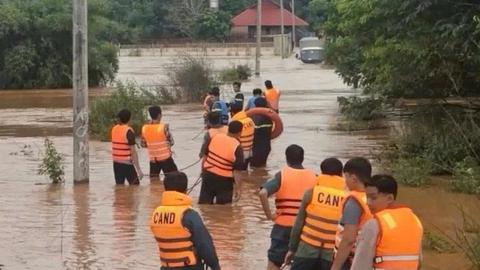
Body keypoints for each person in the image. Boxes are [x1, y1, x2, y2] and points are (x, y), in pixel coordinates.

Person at [258, 145, 317, 270]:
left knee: (275, 262)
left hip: (283, 227)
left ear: (287, 159)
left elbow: (263, 193)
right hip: (306, 228)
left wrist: (269, 215)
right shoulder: (315, 177)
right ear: (302, 158)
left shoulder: (282, 175)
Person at [150, 171, 221, 270]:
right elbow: (204, 245)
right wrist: (215, 266)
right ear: (185, 190)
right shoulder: (189, 215)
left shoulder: (156, 214)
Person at [351, 175, 423, 270]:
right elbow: (419, 261)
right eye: (367, 197)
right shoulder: (415, 220)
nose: (368, 202)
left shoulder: (374, 224)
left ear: (390, 198)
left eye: (373, 198)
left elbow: (360, 265)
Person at [284, 158, 346, 270]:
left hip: (307, 249)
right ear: (341, 174)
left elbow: (298, 223)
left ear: (322, 172)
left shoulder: (312, 192)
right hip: (331, 253)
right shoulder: (347, 197)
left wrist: (292, 249)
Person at [330, 157, 373, 270]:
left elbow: (348, 239)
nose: (345, 181)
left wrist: (335, 267)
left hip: (348, 260)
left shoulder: (354, 202)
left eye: (346, 177)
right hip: (365, 257)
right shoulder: (374, 199)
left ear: (354, 178)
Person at [199, 121, 244, 204]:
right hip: (224, 180)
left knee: (204, 204)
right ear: (240, 133)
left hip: (208, 174)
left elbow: (205, 157)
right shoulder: (237, 147)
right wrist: (238, 189)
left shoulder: (215, 137)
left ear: (228, 129)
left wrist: (202, 172)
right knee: (224, 208)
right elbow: (237, 172)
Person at [141, 105, 178, 180]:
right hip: (166, 159)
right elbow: (172, 142)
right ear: (159, 115)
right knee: (175, 179)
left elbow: (143, 144)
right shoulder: (164, 127)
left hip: (153, 160)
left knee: (154, 182)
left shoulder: (145, 128)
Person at [111, 109, 143, 185]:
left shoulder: (114, 129)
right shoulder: (129, 131)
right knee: (135, 186)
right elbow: (133, 152)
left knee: (119, 187)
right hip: (127, 164)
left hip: (116, 163)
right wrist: (139, 170)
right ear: (129, 119)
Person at [230, 102, 255, 170]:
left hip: (240, 154)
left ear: (232, 113)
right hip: (249, 152)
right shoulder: (250, 120)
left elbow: (231, 140)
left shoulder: (235, 124)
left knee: (238, 173)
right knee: (244, 171)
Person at [251, 97, 273, 168]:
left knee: (254, 168)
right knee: (263, 167)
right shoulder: (269, 117)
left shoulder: (255, 117)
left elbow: (254, 133)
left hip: (257, 148)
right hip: (267, 146)